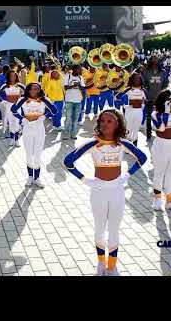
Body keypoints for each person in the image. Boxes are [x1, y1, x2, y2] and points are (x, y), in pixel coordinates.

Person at [63, 109, 147, 276]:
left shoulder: (123, 143)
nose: (104, 124)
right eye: (102, 121)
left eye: (109, 121)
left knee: (114, 229)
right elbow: (68, 161)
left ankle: (112, 266)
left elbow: (143, 158)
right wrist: (84, 179)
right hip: (99, 190)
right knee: (100, 228)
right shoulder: (93, 143)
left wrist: (127, 175)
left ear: (117, 124)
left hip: (117, 190)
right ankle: (101, 263)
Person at [11, 83, 57, 187]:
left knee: (37, 154)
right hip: (27, 128)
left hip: (39, 129)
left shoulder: (44, 99)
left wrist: (44, 116)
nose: (33, 91)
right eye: (31, 89)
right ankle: (30, 177)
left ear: (39, 89)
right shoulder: (22, 99)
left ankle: (37, 178)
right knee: (29, 154)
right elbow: (13, 110)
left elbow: (55, 110)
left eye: (36, 89)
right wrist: (22, 118)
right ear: (28, 90)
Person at [115, 73, 147, 146]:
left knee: (136, 129)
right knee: (128, 128)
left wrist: (142, 103)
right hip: (129, 111)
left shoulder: (143, 90)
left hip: (139, 112)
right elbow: (117, 98)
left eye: (139, 79)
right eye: (135, 78)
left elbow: (148, 101)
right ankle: (127, 145)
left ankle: (135, 146)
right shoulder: (128, 89)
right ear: (132, 80)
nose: (137, 80)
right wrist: (128, 103)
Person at [142, 55, 169, 141]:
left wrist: (163, 94)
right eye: (153, 59)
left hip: (160, 98)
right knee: (149, 116)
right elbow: (143, 83)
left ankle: (160, 132)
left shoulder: (163, 71)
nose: (155, 61)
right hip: (149, 97)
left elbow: (166, 83)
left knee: (160, 116)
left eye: (156, 59)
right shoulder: (146, 71)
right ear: (150, 61)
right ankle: (149, 134)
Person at [0, 70, 26, 146]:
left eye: (14, 75)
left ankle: (16, 139)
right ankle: (12, 139)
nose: (12, 77)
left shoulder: (19, 85)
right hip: (9, 106)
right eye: (11, 76)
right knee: (10, 122)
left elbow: (27, 93)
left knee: (16, 122)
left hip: (17, 106)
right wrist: (3, 101)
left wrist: (21, 100)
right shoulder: (4, 86)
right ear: (8, 77)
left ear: (16, 76)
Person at [62, 64, 86, 140]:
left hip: (78, 101)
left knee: (75, 119)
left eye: (80, 70)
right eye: (77, 69)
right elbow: (65, 87)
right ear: (74, 69)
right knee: (68, 118)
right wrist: (73, 86)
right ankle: (66, 134)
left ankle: (73, 134)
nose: (79, 71)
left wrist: (79, 86)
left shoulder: (80, 77)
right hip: (69, 100)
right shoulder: (68, 76)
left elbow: (83, 89)